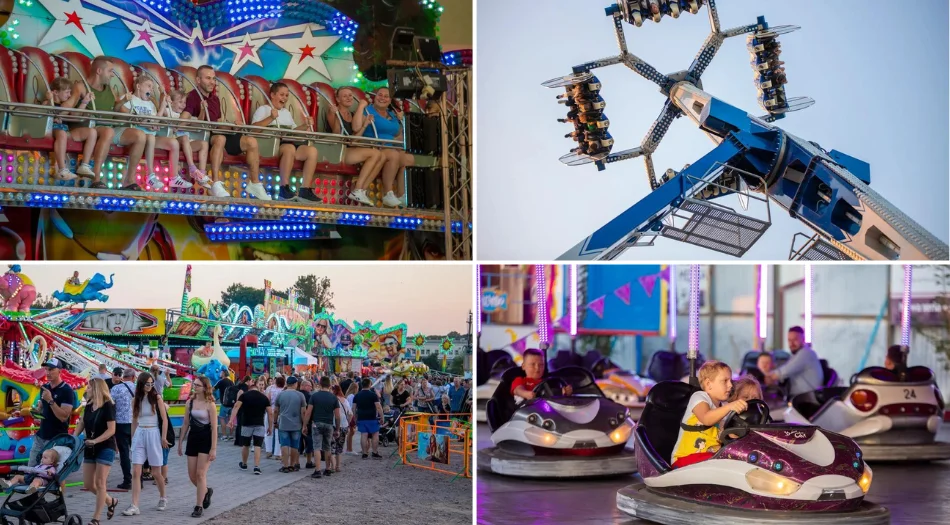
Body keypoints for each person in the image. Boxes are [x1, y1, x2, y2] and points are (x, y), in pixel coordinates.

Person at [58, 57, 147, 188]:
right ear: (99, 71)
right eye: (110, 71)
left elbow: (118, 109)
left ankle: (129, 179)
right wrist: (58, 112)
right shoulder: (81, 86)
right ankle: (96, 178)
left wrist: (137, 116)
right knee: (108, 131)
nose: (112, 75)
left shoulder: (109, 88)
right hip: (89, 127)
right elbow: (70, 104)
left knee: (140, 136)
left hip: (108, 127)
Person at [179, 65, 265, 199]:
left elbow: (218, 123)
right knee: (220, 139)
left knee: (251, 142)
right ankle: (216, 183)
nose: (212, 82)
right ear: (198, 80)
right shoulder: (192, 96)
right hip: (205, 135)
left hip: (218, 131)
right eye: (208, 78)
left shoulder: (215, 99)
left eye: (213, 78)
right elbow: (182, 121)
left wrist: (232, 127)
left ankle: (255, 183)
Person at [118, 75, 192, 191]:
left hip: (151, 134)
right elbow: (128, 116)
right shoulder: (129, 98)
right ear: (138, 86)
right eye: (148, 86)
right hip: (136, 134)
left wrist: (161, 108)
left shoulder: (151, 104)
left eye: (152, 88)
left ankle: (174, 177)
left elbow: (156, 120)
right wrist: (147, 123)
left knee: (173, 143)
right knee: (150, 138)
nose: (151, 90)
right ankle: (150, 174)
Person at [250, 82, 320, 202]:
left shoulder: (286, 113)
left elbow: (294, 132)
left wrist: (305, 125)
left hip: (286, 143)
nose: (285, 98)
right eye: (282, 95)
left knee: (311, 151)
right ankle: (284, 188)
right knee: (289, 148)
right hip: (270, 145)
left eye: (287, 95)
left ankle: (305, 189)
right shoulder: (263, 109)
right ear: (272, 95)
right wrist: (271, 118)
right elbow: (253, 129)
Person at [669, 361, 747, 468]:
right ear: (708, 384)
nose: (730, 385)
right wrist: (730, 406)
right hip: (684, 459)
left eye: (731, 381)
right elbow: (706, 418)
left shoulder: (723, 407)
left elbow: (728, 435)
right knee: (721, 463)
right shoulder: (699, 397)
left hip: (709, 460)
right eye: (725, 381)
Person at [352, 87, 415, 208]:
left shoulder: (392, 114)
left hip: (391, 147)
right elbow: (356, 128)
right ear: (374, 98)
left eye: (386, 96)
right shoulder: (367, 110)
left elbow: (398, 135)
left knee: (409, 159)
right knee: (393, 155)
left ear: (390, 100)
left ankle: (401, 194)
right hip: (375, 146)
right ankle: (388, 193)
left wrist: (401, 120)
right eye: (380, 95)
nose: (382, 98)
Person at [120, 372, 169, 516]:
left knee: (156, 473)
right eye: (147, 384)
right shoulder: (135, 399)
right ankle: (134, 505)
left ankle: (163, 497)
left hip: (153, 433)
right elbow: (134, 420)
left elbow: (164, 419)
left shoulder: (157, 398)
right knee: (136, 471)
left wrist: (163, 437)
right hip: (140, 433)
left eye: (151, 383)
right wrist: (133, 438)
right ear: (141, 384)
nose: (150, 386)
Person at [72, 378, 119, 524]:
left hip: (105, 446)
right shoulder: (89, 405)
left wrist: (96, 440)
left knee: (100, 483)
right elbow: (82, 422)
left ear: (97, 388)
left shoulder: (108, 405)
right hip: (90, 446)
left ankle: (96, 518)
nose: (87, 389)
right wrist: (72, 438)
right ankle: (110, 501)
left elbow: (112, 430)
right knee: (88, 484)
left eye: (89, 387)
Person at [329, 87, 383, 205]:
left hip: (350, 147)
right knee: (375, 153)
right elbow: (336, 134)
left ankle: (361, 190)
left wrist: (365, 125)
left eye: (350, 95)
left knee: (381, 156)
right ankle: (358, 189)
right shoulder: (333, 112)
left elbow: (354, 140)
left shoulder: (352, 115)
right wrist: (336, 116)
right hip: (337, 150)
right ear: (338, 99)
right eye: (345, 96)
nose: (349, 98)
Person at [22, 358, 75, 467]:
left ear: (60, 371)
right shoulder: (45, 388)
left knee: (53, 473)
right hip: (41, 435)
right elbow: (43, 409)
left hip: (56, 438)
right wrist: (37, 410)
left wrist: (50, 400)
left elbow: (63, 417)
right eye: (46, 369)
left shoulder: (67, 391)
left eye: (51, 369)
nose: (48, 372)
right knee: (31, 467)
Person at [178, 376, 217, 518]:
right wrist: (180, 442)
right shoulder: (190, 402)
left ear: (205, 387)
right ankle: (206, 491)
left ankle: (198, 506)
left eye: (198, 385)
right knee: (192, 476)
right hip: (193, 438)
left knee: (200, 474)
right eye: (194, 384)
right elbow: (186, 423)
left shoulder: (210, 404)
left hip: (206, 440)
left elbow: (214, 428)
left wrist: (213, 448)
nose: (195, 387)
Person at [43, 77, 97, 181]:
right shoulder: (47, 103)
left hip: (65, 130)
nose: (69, 95)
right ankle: (62, 169)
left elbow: (75, 117)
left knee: (92, 132)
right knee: (62, 134)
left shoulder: (66, 105)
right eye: (67, 92)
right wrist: (50, 100)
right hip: (52, 130)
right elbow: (46, 112)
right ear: (55, 92)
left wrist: (85, 102)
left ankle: (84, 165)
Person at [163, 89, 212, 188]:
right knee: (184, 137)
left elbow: (198, 123)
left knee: (204, 144)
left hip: (186, 145)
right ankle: (192, 168)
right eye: (180, 102)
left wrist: (202, 110)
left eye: (184, 102)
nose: (183, 105)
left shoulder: (185, 115)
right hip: (173, 141)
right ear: (171, 102)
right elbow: (162, 111)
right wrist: (164, 100)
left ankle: (201, 174)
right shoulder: (169, 111)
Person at [229, 376, 272, 475]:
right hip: (259, 424)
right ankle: (256, 467)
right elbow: (270, 413)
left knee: (246, 445)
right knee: (257, 445)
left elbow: (236, 406)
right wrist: (270, 426)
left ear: (250, 388)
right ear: (257, 388)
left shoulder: (244, 396)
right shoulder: (264, 397)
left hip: (246, 423)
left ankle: (244, 464)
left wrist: (231, 420)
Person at [765, 326, 823, 396]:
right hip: (801, 397)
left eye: (795, 340)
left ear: (803, 339)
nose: (791, 344)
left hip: (806, 399)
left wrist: (767, 376)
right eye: (789, 340)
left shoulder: (806, 353)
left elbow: (784, 371)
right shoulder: (796, 355)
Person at [303, 376, 341, 478]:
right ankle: (328, 469)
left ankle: (318, 469)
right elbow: (337, 415)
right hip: (329, 424)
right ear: (329, 385)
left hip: (316, 424)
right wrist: (337, 428)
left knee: (317, 447)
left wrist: (305, 425)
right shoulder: (334, 397)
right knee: (327, 447)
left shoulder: (314, 396)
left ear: (319, 384)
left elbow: (308, 412)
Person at [109, 368, 136, 490]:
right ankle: (139, 479)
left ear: (123, 376)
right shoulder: (137, 388)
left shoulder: (115, 388)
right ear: (133, 377)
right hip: (135, 423)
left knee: (124, 453)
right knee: (136, 452)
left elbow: (110, 404)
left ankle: (127, 480)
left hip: (120, 424)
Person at [273, 376, 306, 472]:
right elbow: (303, 412)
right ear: (296, 384)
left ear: (287, 384)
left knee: (284, 444)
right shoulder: (300, 395)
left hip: (283, 423)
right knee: (295, 445)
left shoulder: (280, 395)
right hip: (296, 424)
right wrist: (304, 424)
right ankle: (292, 464)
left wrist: (275, 422)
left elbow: (276, 410)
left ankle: (285, 466)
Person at [352, 378, 384, 459]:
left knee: (363, 434)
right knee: (375, 434)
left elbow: (353, 408)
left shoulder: (357, 395)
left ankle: (364, 453)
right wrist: (382, 417)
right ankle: (374, 452)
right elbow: (378, 407)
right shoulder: (373, 395)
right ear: (370, 385)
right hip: (372, 417)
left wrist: (355, 417)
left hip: (361, 417)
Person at [330, 384, 351, 472]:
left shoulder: (332, 400)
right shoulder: (345, 400)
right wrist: (348, 423)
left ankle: (332, 467)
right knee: (339, 447)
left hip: (334, 424)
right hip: (344, 425)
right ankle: (338, 466)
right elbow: (350, 414)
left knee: (332, 447)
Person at [264, 376, 285, 460]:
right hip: (280, 413)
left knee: (268, 431)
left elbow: (267, 400)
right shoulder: (284, 391)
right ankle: (277, 453)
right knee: (278, 433)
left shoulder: (271, 389)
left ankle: (268, 451)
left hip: (270, 412)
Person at [297, 379, 315, 469]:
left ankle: (296, 463)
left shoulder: (296, 395)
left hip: (296, 422)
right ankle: (308, 462)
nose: (311, 388)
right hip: (307, 422)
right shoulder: (309, 396)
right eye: (309, 386)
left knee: (297, 443)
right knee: (309, 442)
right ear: (304, 386)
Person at [213, 368, 234, 441]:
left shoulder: (221, 382)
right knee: (230, 420)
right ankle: (231, 436)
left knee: (222, 418)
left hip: (224, 404)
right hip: (231, 405)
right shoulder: (232, 382)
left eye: (221, 373)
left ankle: (224, 436)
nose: (220, 374)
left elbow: (213, 389)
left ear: (224, 374)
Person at [343, 382, 359, 455]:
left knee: (351, 432)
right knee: (351, 432)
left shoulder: (348, 395)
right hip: (351, 415)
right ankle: (349, 449)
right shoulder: (352, 396)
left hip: (348, 414)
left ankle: (349, 448)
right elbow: (352, 407)